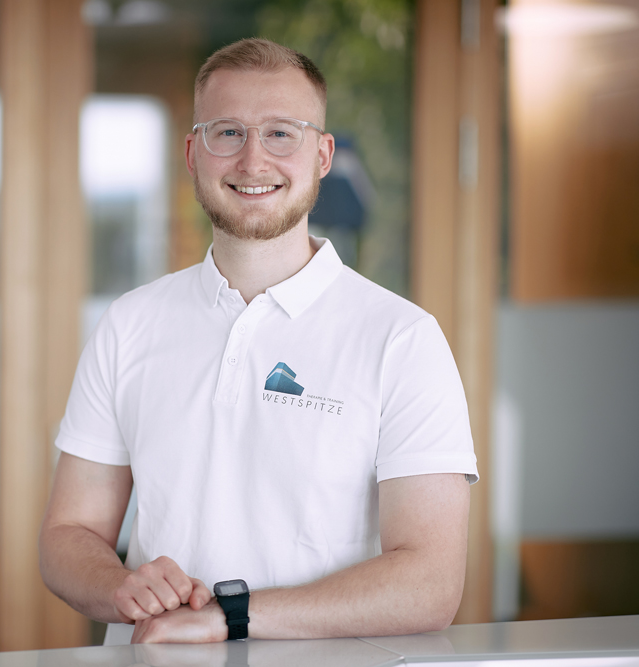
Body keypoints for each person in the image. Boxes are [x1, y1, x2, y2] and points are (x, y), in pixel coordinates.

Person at [39, 37, 478, 645]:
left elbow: (430, 583)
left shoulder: (402, 339)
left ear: (322, 154)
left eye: (281, 133)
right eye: (227, 132)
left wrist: (228, 617)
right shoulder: (129, 324)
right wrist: (121, 587)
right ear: (193, 152)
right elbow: (69, 537)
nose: (252, 161)